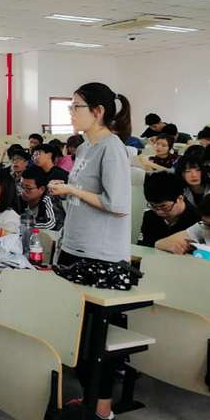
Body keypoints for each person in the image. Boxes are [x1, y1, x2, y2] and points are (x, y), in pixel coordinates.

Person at [48, 82, 132, 420]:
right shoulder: (84, 147)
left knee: (96, 340)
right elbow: (84, 195)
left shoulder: (112, 148)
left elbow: (118, 204)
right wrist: (66, 191)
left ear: (98, 112)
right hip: (75, 247)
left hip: (100, 255)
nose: (71, 113)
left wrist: (72, 190)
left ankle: (102, 408)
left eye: (76, 107)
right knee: (77, 334)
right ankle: (88, 400)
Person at [140, 172, 198, 247]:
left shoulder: (197, 220)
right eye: (153, 206)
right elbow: (144, 246)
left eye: (164, 207)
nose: (159, 212)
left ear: (180, 198)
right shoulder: (149, 217)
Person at [19, 166, 65, 232]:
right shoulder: (19, 199)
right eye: (21, 186)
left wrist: (23, 224)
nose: (23, 191)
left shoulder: (49, 199)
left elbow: (53, 224)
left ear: (42, 189)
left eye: (28, 188)